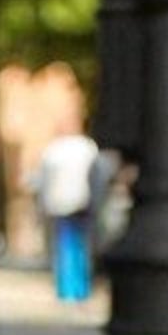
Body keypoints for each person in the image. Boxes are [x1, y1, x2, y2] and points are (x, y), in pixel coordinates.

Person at [32, 122, 100, 302]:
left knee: (64, 245)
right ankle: (80, 288)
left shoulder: (53, 150)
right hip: (82, 201)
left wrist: (42, 205)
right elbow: (96, 176)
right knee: (81, 245)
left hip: (59, 203)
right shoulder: (87, 148)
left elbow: (44, 180)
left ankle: (66, 288)